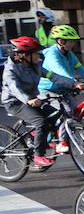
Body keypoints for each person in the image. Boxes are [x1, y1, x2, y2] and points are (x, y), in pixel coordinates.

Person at [0, 36, 55, 169]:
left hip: (32, 99)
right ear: (24, 55)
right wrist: (28, 99)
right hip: (15, 102)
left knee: (54, 114)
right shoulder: (10, 70)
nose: (38, 55)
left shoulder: (35, 65)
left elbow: (52, 76)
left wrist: (73, 83)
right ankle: (38, 156)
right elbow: (15, 89)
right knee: (40, 122)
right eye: (36, 52)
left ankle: (37, 137)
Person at [40, 24, 84, 112]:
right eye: (71, 41)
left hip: (63, 89)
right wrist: (75, 83)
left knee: (77, 111)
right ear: (61, 41)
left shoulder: (69, 54)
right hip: (48, 90)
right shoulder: (52, 55)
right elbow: (60, 71)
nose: (74, 43)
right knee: (66, 112)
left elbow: (81, 69)